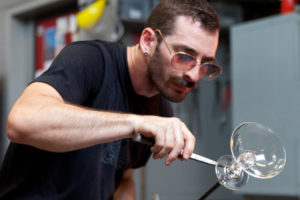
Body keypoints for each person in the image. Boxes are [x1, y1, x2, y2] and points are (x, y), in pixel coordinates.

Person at [0, 0, 221, 199]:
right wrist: (136, 123)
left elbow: (123, 178)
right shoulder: (90, 60)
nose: (193, 76)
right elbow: (21, 121)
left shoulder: (160, 111)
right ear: (147, 41)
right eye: (184, 56)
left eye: (205, 64)